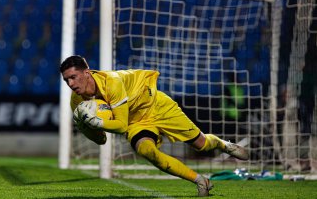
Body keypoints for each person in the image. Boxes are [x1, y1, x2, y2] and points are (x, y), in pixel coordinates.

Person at [60, 55, 249, 197]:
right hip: (136, 122)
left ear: (87, 72)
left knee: (201, 145)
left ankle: (223, 144)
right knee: (147, 151)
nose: (70, 83)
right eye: (66, 80)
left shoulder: (112, 83)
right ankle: (200, 180)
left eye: (74, 77)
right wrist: (86, 129)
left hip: (156, 106)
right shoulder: (77, 102)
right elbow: (101, 140)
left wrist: (96, 122)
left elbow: (119, 125)